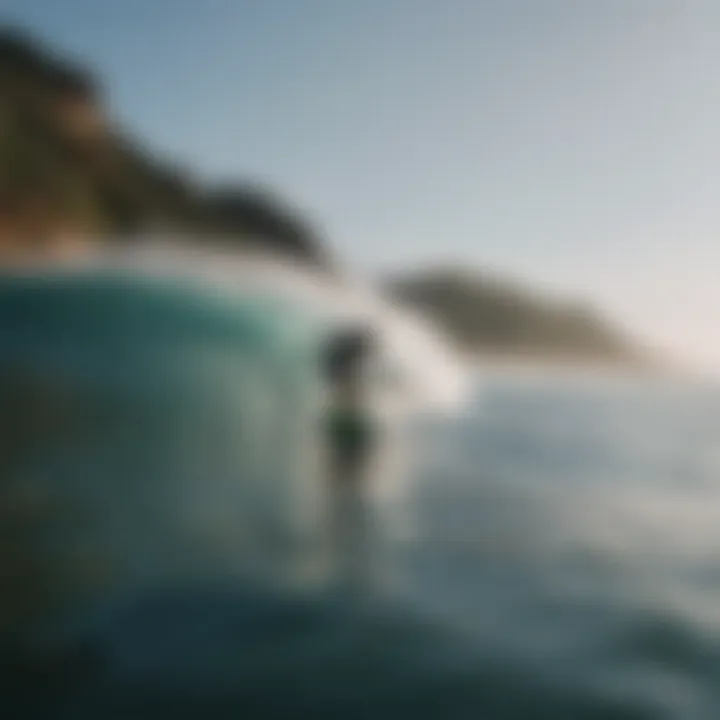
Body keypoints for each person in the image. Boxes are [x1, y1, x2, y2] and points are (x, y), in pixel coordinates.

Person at [323, 329, 378, 586]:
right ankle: (341, 509)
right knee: (347, 461)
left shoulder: (346, 360)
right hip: (346, 422)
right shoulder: (343, 359)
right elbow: (342, 386)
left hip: (347, 421)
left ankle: (343, 503)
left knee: (349, 461)